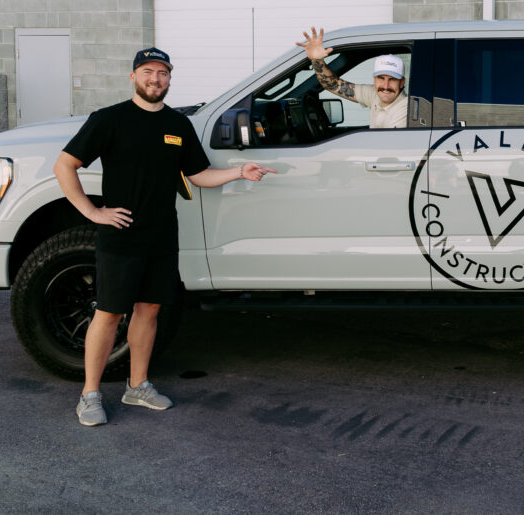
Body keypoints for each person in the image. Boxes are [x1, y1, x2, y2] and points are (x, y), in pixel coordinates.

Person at [54, 47, 277, 426]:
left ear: (169, 78)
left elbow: (197, 175)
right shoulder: (110, 120)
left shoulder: (178, 125)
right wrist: (93, 212)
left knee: (150, 310)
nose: (155, 79)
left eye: (162, 73)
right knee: (108, 313)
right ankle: (89, 393)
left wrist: (240, 172)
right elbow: (65, 165)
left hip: (161, 235)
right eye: (147, 71)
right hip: (120, 235)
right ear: (133, 76)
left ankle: (137, 385)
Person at [297, 26, 407, 128]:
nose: (386, 86)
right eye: (381, 78)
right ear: (375, 80)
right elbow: (334, 84)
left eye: (392, 79)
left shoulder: (406, 109)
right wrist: (317, 60)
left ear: (402, 82)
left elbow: (386, 147)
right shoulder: (374, 94)